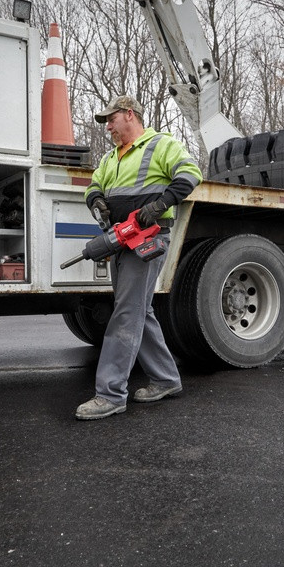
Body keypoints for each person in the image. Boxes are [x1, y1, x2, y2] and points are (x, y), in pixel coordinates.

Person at [75, 95, 203, 420]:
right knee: (138, 312)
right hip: (120, 239)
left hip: (147, 239)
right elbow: (93, 185)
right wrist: (96, 201)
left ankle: (110, 394)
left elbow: (190, 174)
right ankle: (166, 379)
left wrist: (159, 206)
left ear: (129, 114)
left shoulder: (160, 144)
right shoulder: (110, 158)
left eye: (111, 119)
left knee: (126, 313)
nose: (108, 127)